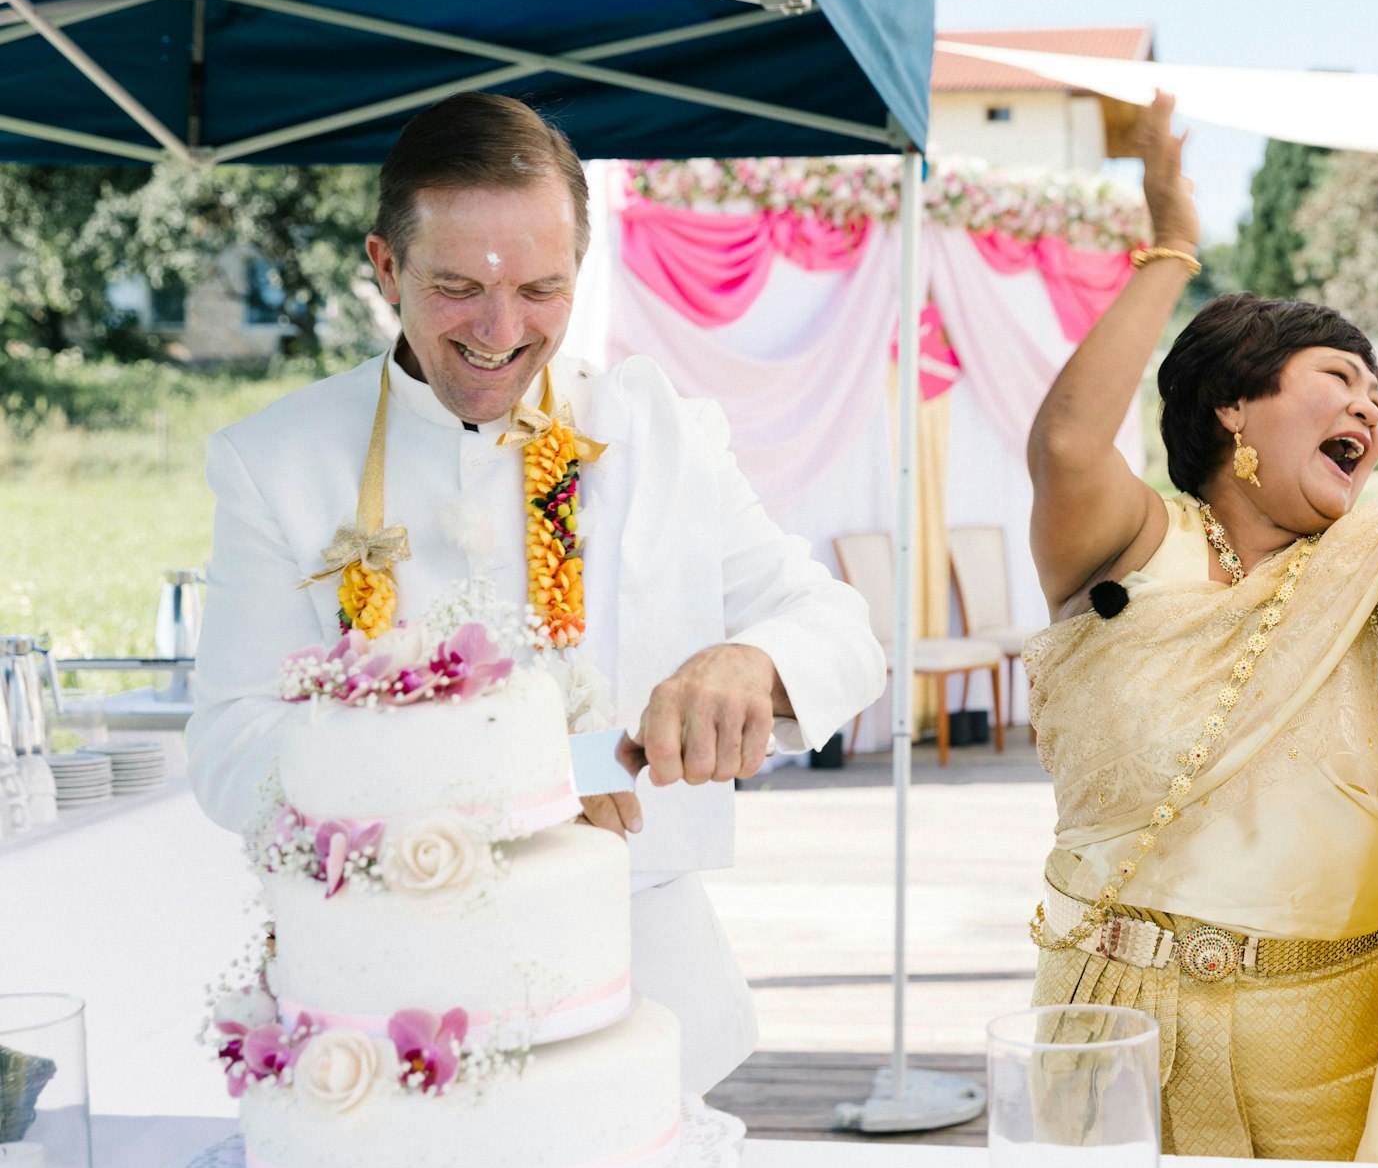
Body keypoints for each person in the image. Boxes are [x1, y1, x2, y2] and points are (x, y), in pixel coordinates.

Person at [186, 91, 886, 1093]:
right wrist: (488, 769)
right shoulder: (275, 461)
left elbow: (839, 626)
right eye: (457, 286)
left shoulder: (660, 433)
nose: (500, 330)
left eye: (541, 290)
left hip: (646, 995)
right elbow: (225, 745)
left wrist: (756, 659)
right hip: (388, 1002)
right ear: (385, 265)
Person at [1021, 92, 1378, 1163]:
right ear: (1232, 406)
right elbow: (1067, 442)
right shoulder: (1132, 542)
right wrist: (1169, 247)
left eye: (1376, 401)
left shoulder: (1374, 580)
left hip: (1318, 1030)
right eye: (1338, 378)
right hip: (1106, 1011)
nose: (1368, 412)